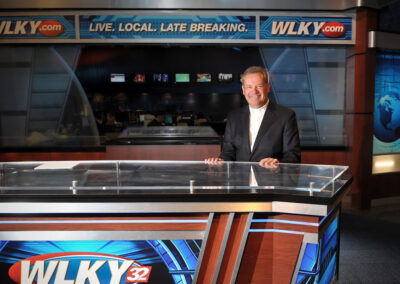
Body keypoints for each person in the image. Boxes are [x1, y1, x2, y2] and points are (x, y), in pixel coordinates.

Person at [205, 66, 301, 166]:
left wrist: (278, 164)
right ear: (243, 89)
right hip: (240, 180)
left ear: (268, 88)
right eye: (249, 87)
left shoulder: (286, 116)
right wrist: (221, 161)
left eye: (259, 86)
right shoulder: (234, 117)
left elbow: (293, 156)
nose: (254, 91)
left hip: (271, 179)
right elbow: (228, 152)